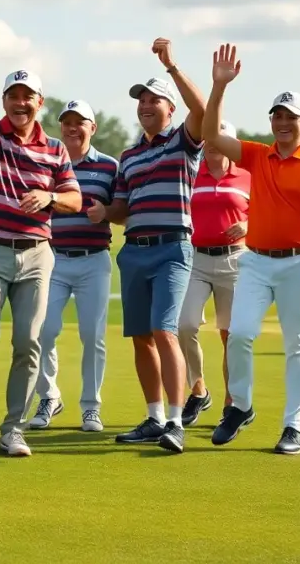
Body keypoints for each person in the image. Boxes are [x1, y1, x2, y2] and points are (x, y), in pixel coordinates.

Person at [203, 44, 300, 456]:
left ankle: (294, 426)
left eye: (290, 117)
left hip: (299, 264)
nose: (282, 124)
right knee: (240, 334)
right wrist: (219, 86)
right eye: (277, 116)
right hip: (255, 262)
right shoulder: (256, 154)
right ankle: (242, 406)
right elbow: (211, 135)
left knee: (297, 345)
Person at [0, 28, 81, 457]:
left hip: (37, 256)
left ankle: (12, 428)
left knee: (29, 343)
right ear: (4, 100)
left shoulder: (57, 150)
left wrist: (51, 197)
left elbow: (76, 199)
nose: (20, 103)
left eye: (28, 97)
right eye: (13, 96)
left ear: (40, 103)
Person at [89, 38, 208, 455]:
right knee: (141, 336)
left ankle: (176, 422)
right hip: (134, 250)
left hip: (173, 249)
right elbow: (124, 206)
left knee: (164, 330)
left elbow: (203, 112)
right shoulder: (129, 155)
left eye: (154, 100)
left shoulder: (183, 141)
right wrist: (105, 212)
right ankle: (155, 415)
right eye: (141, 100)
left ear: (170, 109)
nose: (145, 105)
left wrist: (172, 67)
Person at [30, 100, 118, 433]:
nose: (71, 128)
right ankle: (49, 397)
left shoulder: (109, 167)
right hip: (52, 259)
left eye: (79, 122)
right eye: (66, 122)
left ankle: (91, 407)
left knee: (93, 335)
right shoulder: (47, 162)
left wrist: (106, 214)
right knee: (43, 332)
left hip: (93, 260)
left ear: (92, 128)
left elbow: (121, 206)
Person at [176, 118, 249, 427]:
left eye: (221, 140)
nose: (214, 146)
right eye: (210, 140)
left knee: (229, 335)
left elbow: (267, 214)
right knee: (185, 325)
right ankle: (198, 390)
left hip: (235, 261)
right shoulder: (192, 174)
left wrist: (249, 225)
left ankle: (232, 402)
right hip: (197, 259)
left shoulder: (246, 176)